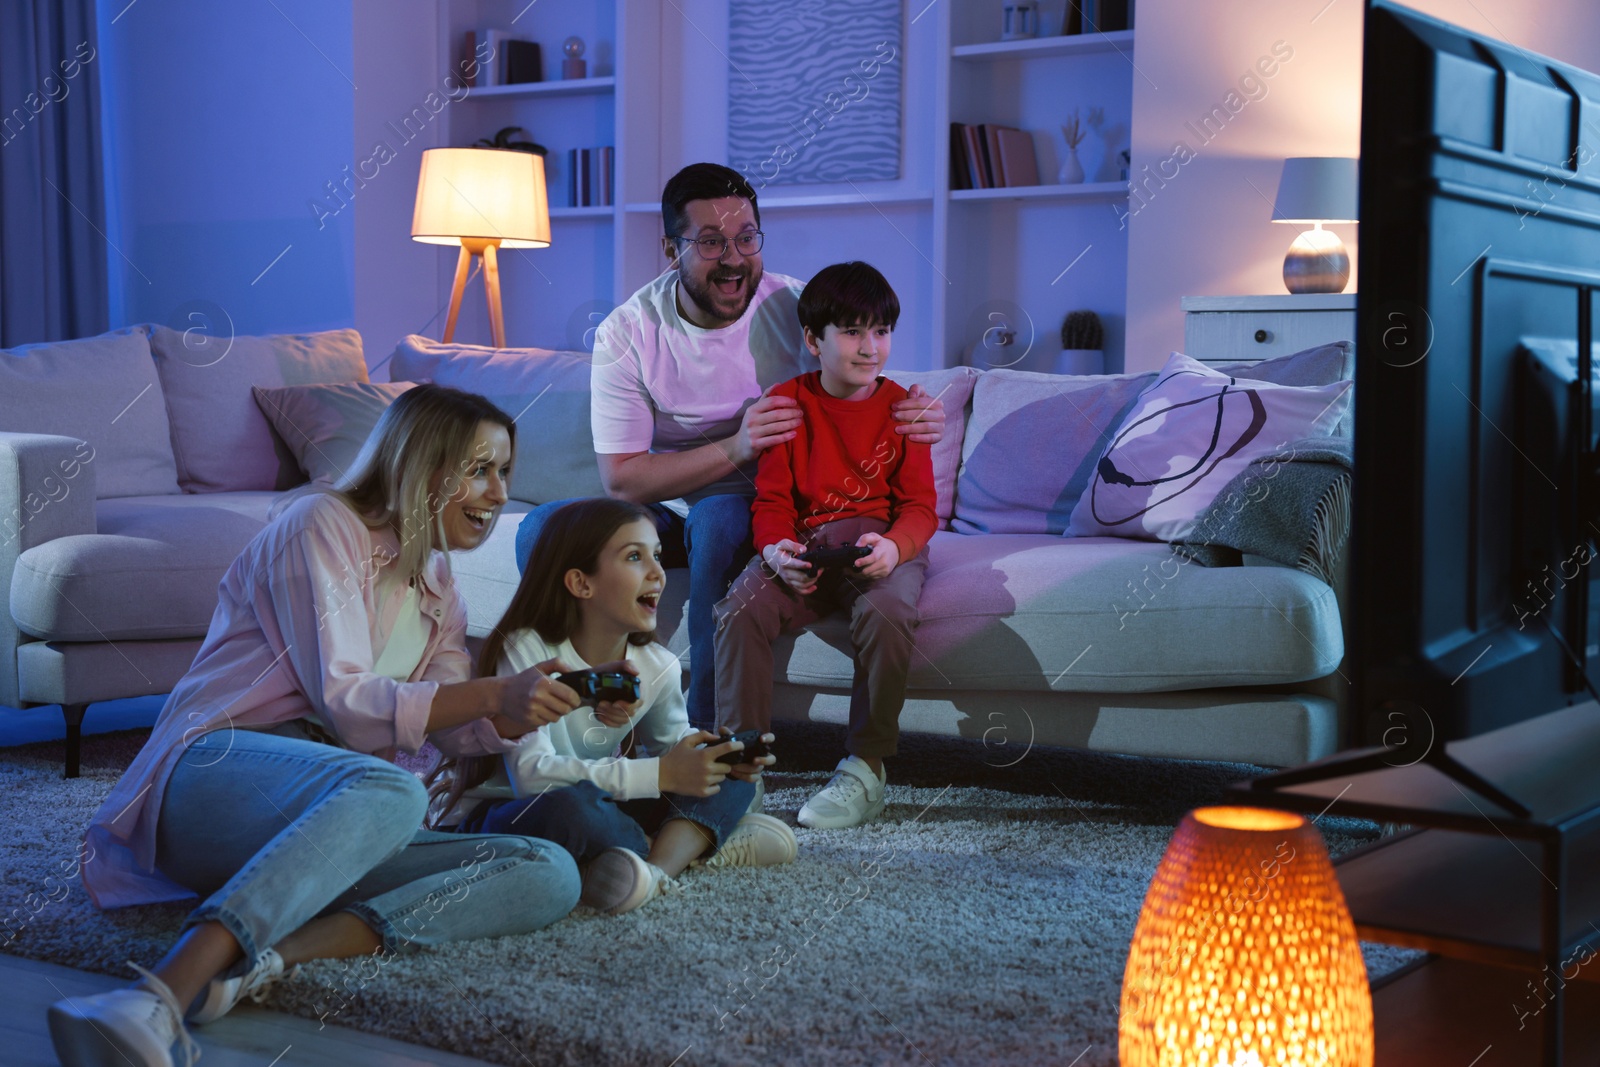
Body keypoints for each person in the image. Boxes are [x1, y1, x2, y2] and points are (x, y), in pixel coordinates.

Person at [50, 385, 584, 1067]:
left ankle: (265, 959)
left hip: (336, 811)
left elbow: (452, 720)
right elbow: (350, 704)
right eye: (479, 468)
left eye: (505, 471)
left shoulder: (439, 587)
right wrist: (488, 691)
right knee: (394, 792)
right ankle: (156, 994)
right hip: (216, 773)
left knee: (546, 868)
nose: (497, 491)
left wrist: (514, 709)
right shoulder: (321, 524)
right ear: (423, 464)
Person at [515, 162, 946, 729]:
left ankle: (703, 730)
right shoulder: (629, 331)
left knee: (718, 517)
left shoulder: (791, 308)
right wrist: (738, 443)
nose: (735, 259)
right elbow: (621, 479)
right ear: (671, 248)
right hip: (665, 514)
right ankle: (584, 701)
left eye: (747, 238)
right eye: (712, 243)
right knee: (542, 529)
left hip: (761, 509)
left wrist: (915, 409)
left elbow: (858, 371)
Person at [442, 498, 795, 915]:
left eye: (658, 556)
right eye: (634, 556)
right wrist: (663, 773)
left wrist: (713, 758)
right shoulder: (529, 651)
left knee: (732, 782)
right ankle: (691, 849)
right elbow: (531, 779)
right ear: (580, 583)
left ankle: (653, 873)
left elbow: (671, 749)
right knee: (575, 810)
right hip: (507, 813)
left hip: (595, 797)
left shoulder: (657, 665)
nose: (657, 573)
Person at [713, 262, 936, 830]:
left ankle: (867, 766)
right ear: (814, 340)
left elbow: (919, 508)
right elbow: (770, 504)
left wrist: (894, 547)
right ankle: (742, 765)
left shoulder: (903, 409)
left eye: (881, 332)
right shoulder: (786, 403)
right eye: (854, 332)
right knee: (739, 609)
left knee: (889, 613)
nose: (871, 348)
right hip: (807, 546)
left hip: (877, 544)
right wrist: (775, 552)